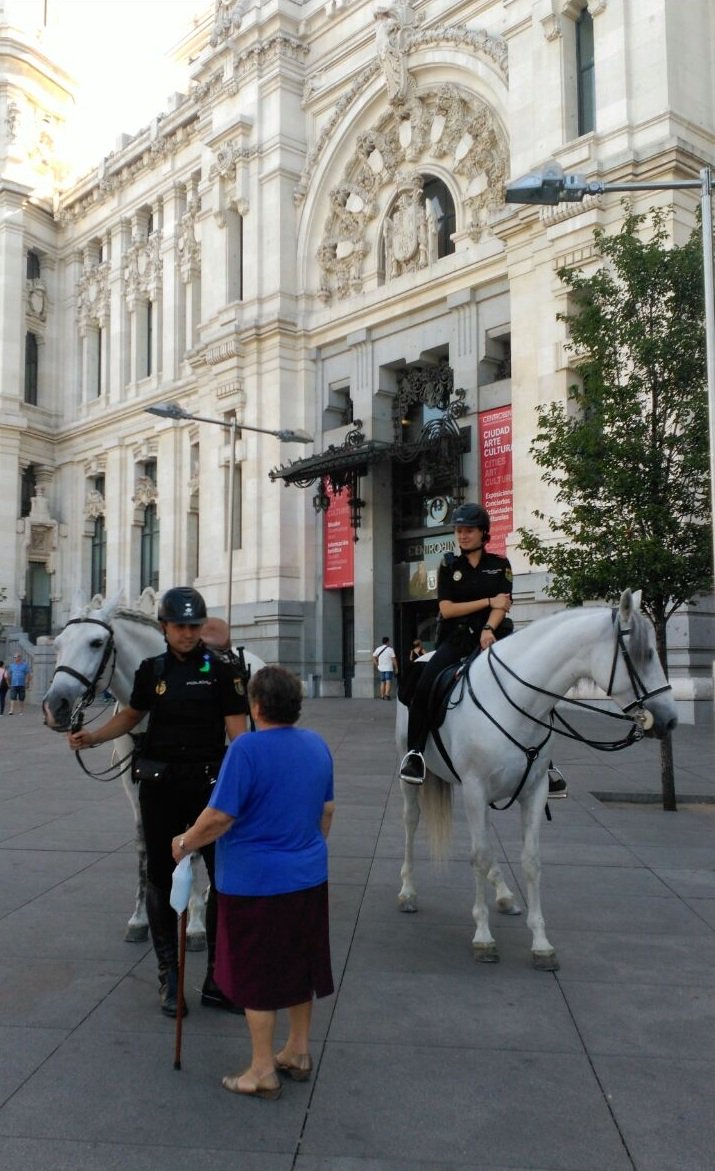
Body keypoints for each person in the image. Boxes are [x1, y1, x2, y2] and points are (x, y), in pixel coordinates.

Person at [68, 586, 249, 1017]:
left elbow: (238, 735)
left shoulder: (223, 673)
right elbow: (130, 716)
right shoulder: (151, 671)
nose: (187, 633)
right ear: (165, 628)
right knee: (161, 878)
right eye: (179, 626)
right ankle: (169, 975)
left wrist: (252, 779)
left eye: (194, 626)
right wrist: (92, 737)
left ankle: (217, 980)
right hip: (160, 787)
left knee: (223, 880)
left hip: (209, 788)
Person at [171, 666, 335, 1100]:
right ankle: (298, 1051)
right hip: (309, 876)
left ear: (256, 706)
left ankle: (262, 1069)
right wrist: (304, 850)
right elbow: (327, 811)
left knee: (256, 973)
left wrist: (185, 842)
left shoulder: (245, 750)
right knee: (302, 964)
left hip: (256, 882)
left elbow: (221, 816)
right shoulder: (317, 745)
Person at [399, 503, 512, 783]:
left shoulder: (500, 565)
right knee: (425, 684)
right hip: (458, 638)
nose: (462, 536)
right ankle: (415, 753)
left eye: (468, 530)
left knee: (531, 680)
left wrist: (488, 627)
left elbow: (504, 604)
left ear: (483, 533)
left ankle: (544, 761)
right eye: (459, 530)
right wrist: (487, 602)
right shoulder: (450, 566)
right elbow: (447, 609)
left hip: (495, 635)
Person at [373, 636, 398, 700]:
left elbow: (373, 657)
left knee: (382, 682)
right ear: (388, 642)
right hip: (388, 668)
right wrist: (396, 667)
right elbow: (393, 659)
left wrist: (377, 664)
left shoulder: (378, 649)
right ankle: (387, 694)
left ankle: (382, 695)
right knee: (388, 681)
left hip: (381, 668)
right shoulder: (390, 649)